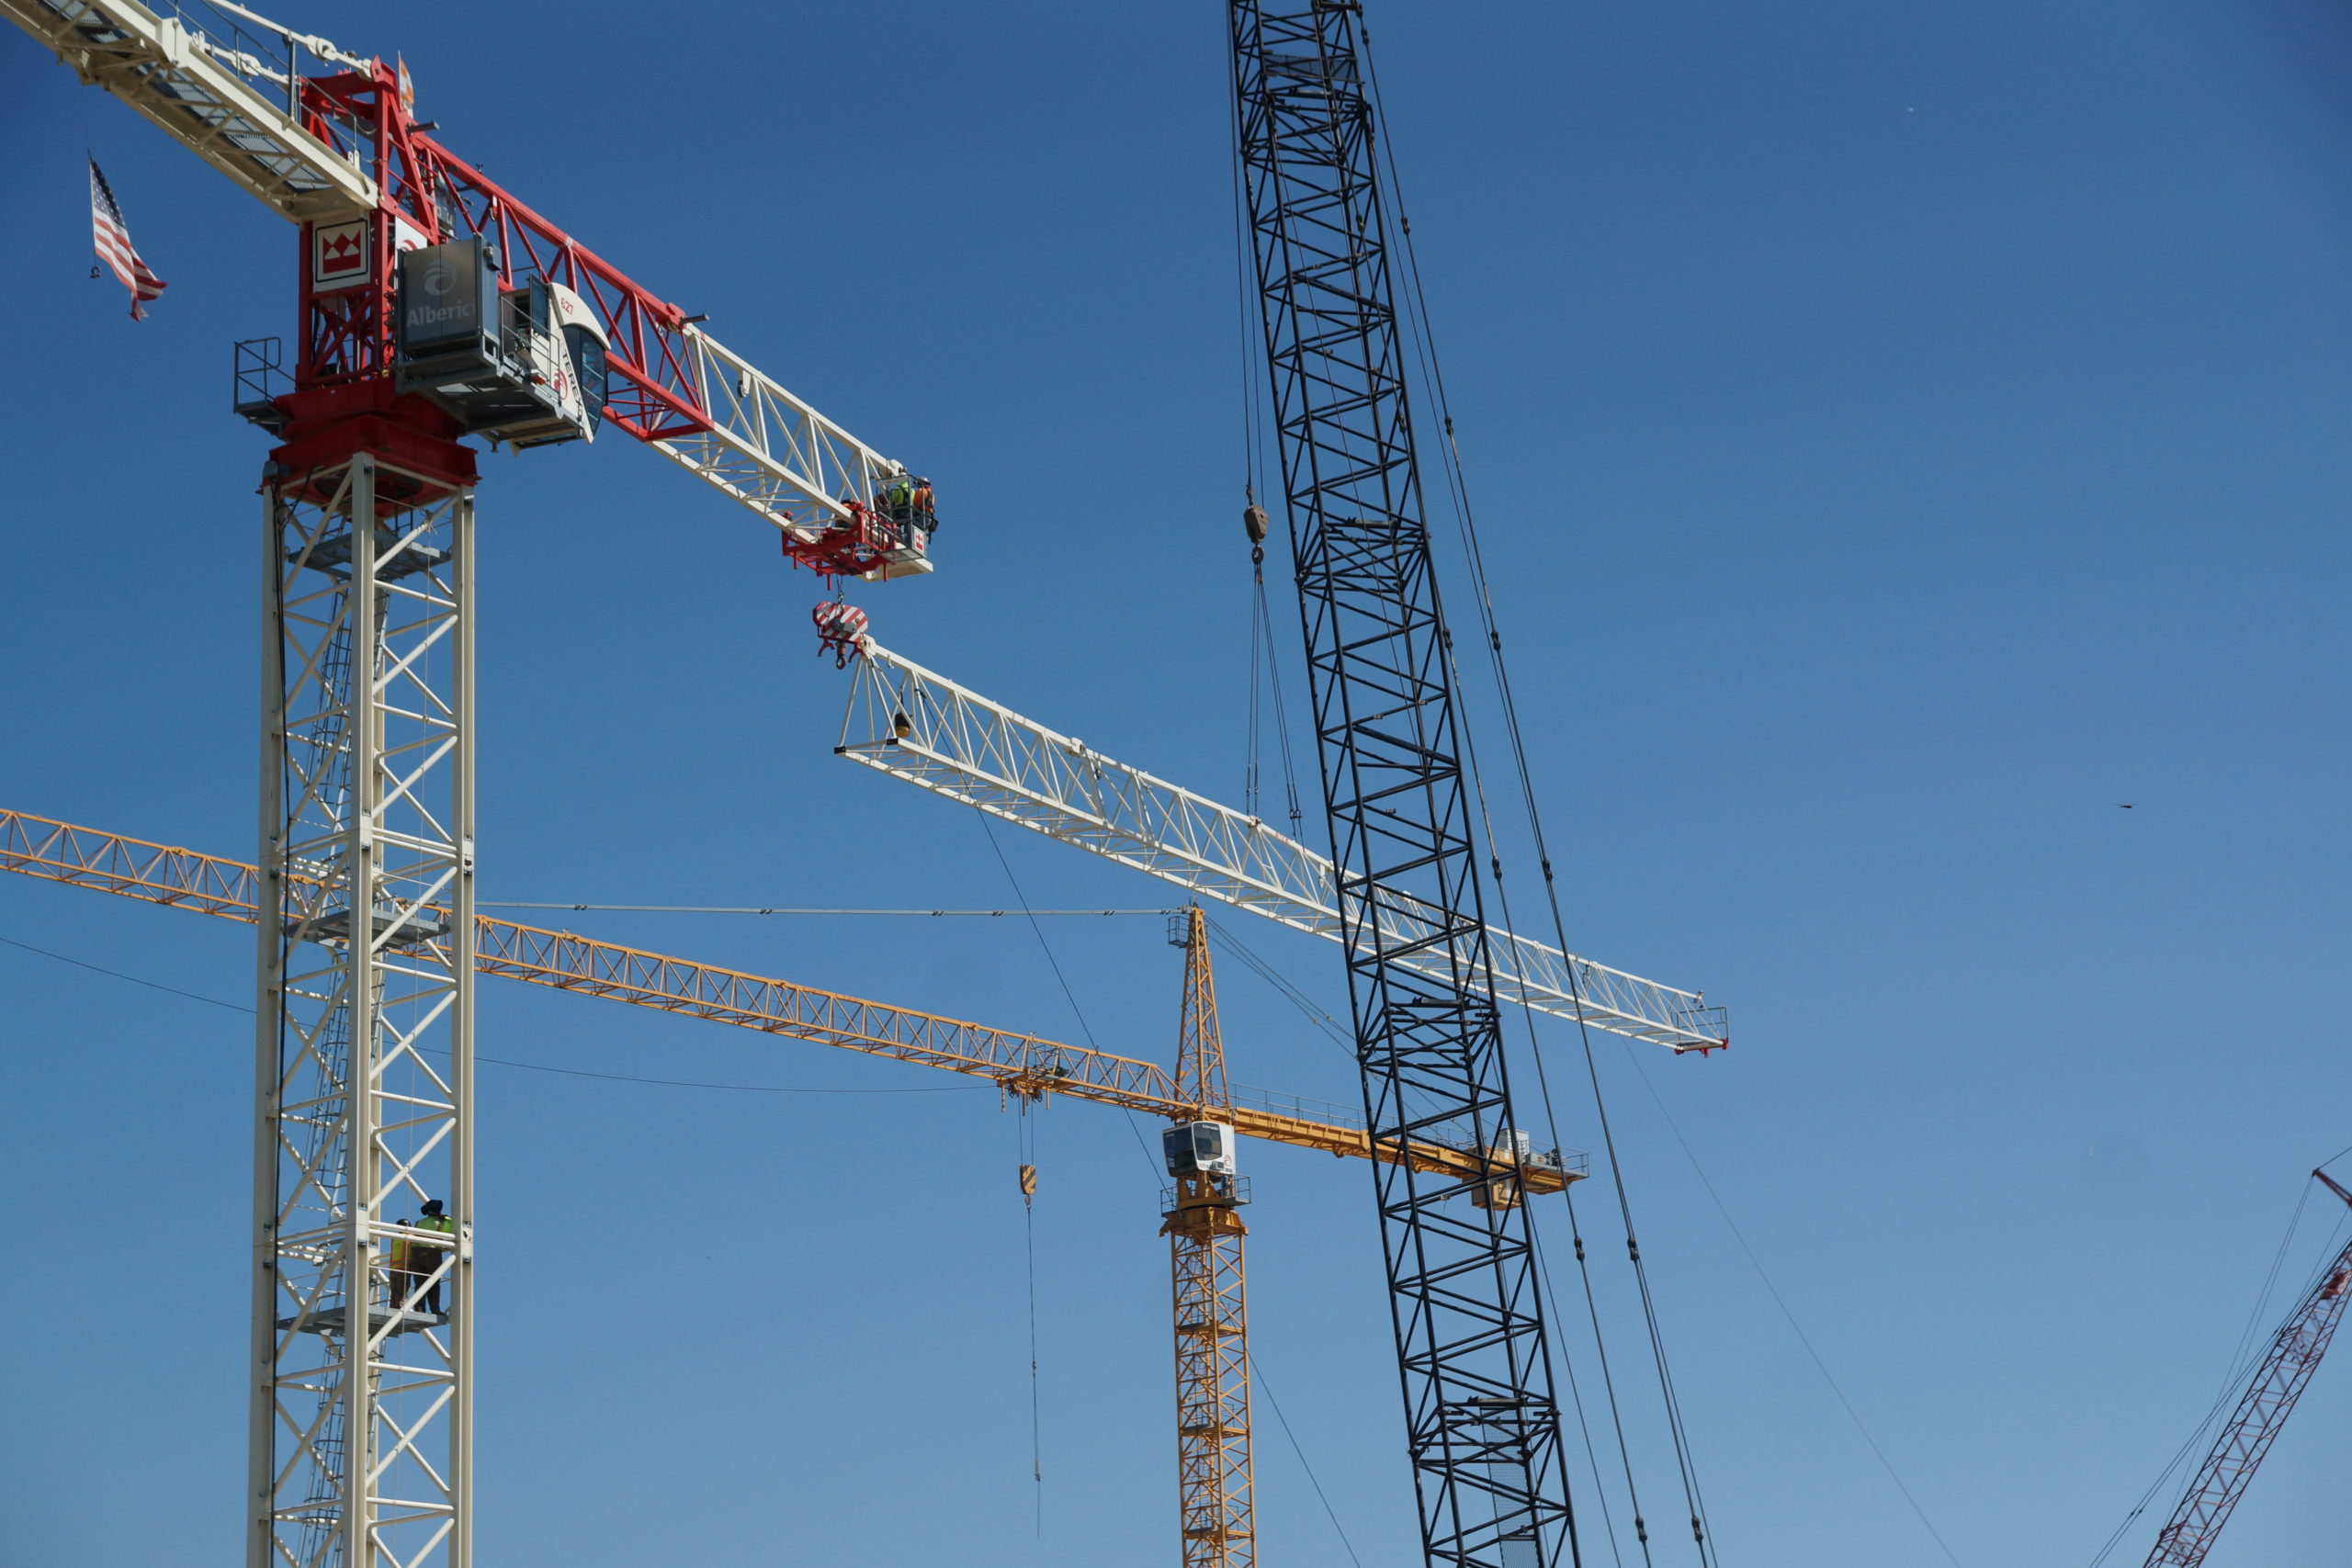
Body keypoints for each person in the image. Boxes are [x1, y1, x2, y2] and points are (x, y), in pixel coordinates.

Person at [410, 1198, 456, 1315]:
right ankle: (435, 1309)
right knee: (434, 1283)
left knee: (419, 1283)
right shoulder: (444, 1222)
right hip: (432, 1254)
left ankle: (419, 1309)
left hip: (416, 1254)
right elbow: (454, 1232)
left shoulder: (419, 1223)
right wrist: (444, 1217)